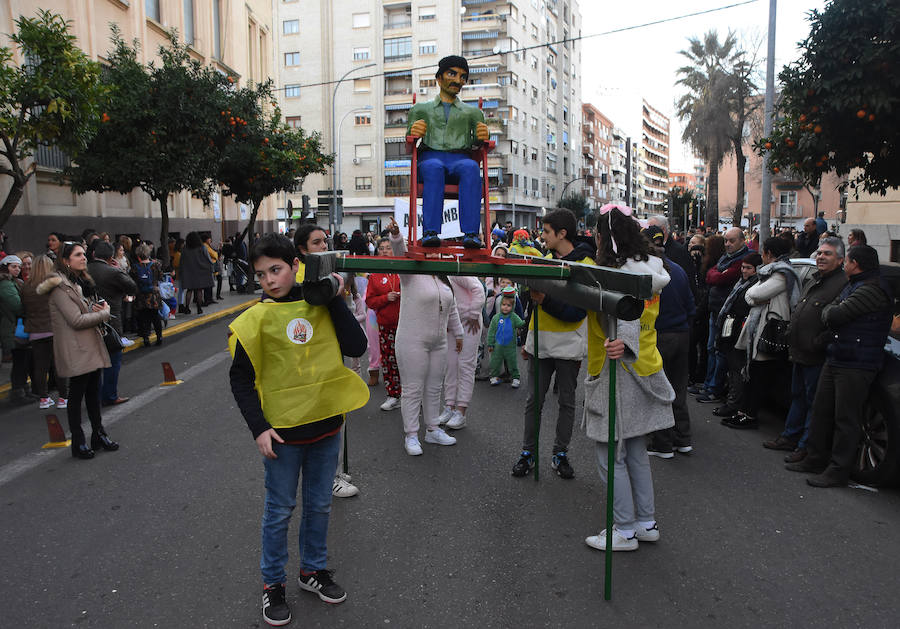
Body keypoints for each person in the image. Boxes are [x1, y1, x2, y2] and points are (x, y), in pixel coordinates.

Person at [228, 234, 368, 625]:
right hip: (282, 434)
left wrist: (334, 296)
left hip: (326, 426)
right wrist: (258, 428)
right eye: (261, 274)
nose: (270, 280)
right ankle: (273, 584)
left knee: (320, 504)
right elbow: (240, 379)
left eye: (276, 269)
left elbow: (356, 346)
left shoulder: (320, 304)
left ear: (295, 264)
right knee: (279, 511)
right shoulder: (254, 319)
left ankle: (312, 571)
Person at [581, 203, 672, 551]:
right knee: (635, 450)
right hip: (645, 366)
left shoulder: (618, 272)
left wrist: (624, 344)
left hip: (616, 368)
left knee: (609, 454)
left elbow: (628, 311)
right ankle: (645, 523)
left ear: (606, 236)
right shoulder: (651, 268)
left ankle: (624, 529)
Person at [787, 245, 893, 487]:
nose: (845, 264)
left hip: (856, 363)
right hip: (838, 356)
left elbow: (833, 315)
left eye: (846, 260)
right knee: (821, 411)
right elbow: (831, 309)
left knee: (846, 418)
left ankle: (838, 469)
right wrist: (831, 311)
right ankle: (815, 458)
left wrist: (831, 312)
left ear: (855, 263)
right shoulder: (852, 284)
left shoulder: (871, 289)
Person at [511, 208, 594, 480]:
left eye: (546, 232)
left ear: (562, 234)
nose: (542, 236)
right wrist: (527, 339)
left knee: (567, 402)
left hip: (570, 345)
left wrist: (546, 300)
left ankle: (560, 453)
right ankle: (528, 453)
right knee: (533, 400)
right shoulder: (543, 259)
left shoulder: (586, 265)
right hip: (540, 344)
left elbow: (577, 311)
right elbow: (534, 304)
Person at [293, 224, 363, 499]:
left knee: (337, 417)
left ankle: (332, 473)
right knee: (324, 422)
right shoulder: (305, 280)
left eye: (325, 241)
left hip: (331, 358)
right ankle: (328, 478)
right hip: (311, 363)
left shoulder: (327, 272)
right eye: (317, 242)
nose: (324, 246)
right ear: (302, 249)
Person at [763, 238, 847, 460]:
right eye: (819, 253)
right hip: (799, 351)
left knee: (813, 403)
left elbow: (840, 320)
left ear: (840, 260)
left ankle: (805, 446)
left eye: (827, 254)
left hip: (817, 355)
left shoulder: (842, 284)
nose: (820, 257)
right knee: (798, 396)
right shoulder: (816, 279)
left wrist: (817, 342)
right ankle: (790, 437)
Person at [387, 218, 462, 455]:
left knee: (433, 387)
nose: (434, 255)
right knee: (412, 389)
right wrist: (397, 237)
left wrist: (458, 332)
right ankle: (411, 435)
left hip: (439, 341)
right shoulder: (409, 274)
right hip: (412, 340)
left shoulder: (443, 278)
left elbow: (452, 308)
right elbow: (399, 254)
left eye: (437, 251)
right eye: (430, 251)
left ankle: (432, 430)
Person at [42, 242, 117, 460]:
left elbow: (80, 312)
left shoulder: (75, 282)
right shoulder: (58, 286)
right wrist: (104, 314)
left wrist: (93, 309)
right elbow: (75, 320)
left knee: (94, 392)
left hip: (88, 345)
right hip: (76, 348)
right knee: (77, 395)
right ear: (66, 260)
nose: (84, 257)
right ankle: (78, 441)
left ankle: (98, 434)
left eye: (84, 254)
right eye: (78, 255)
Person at [407, 54, 490, 248]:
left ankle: (471, 233)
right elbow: (409, 143)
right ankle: (430, 231)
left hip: (460, 158)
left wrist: (481, 136)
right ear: (439, 78)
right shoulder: (421, 109)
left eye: (462, 76)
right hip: (430, 156)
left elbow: (480, 143)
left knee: (471, 168)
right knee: (434, 168)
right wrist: (414, 133)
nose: (457, 80)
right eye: (452, 74)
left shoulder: (472, 113)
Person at [722, 237, 800, 429]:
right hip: (760, 329)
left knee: (758, 376)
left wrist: (756, 297)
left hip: (769, 331)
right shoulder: (770, 274)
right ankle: (743, 412)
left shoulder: (781, 274)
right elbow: (752, 294)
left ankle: (749, 415)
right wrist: (756, 297)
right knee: (752, 373)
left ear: (769, 254)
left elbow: (754, 294)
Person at [644, 226, 697, 458]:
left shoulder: (649, 273)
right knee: (678, 388)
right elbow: (691, 305)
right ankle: (682, 439)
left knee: (659, 390)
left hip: (659, 335)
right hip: (682, 334)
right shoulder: (678, 269)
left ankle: (662, 443)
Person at [696, 228, 750, 403]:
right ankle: (708, 384)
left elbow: (719, 278)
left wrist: (718, 275)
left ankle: (715, 388)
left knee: (720, 352)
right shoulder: (726, 258)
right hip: (715, 310)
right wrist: (717, 274)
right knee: (711, 348)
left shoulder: (743, 259)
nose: (727, 244)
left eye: (731, 241)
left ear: (742, 240)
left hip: (728, 314)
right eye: (726, 240)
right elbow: (711, 274)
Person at [710, 253, 762, 420]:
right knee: (733, 368)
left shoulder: (754, 285)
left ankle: (734, 404)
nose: (744, 271)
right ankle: (732, 402)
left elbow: (744, 307)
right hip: (732, 330)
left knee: (737, 369)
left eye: (748, 268)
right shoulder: (741, 283)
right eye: (743, 267)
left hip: (740, 332)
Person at [88, 241, 137, 405]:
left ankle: (95, 394)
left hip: (88, 319)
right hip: (111, 319)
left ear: (94, 254)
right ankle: (109, 395)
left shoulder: (85, 270)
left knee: (94, 361)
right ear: (110, 257)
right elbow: (132, 287)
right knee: (113, 358)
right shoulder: (113, 272)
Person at [438, 275, 485, 430]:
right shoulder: (435, 271)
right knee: (450, 365)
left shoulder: (456, 270)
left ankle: (461, 411)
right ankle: (449, 406)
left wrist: (473, 314)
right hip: (451, 323)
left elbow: (478, 289)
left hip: (469, 323)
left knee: (465, 365)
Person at [365, 237, 402, 411]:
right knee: (389, 361)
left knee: (409, 361)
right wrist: (385, 298)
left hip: (407, 324)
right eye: (382, 248)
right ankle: (393, 395)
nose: (385, 251)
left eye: (388, 248)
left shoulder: (403, 271)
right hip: (386, 325)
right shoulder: (375, 274)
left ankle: (412, 396)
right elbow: (370, 301)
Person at [0, 254, 31, 403]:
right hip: (12, 328)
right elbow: (17, 307)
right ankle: (18, 391)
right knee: (19, 361)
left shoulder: (12, 282)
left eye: (19, 266)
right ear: (6, 268)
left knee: (22, 360)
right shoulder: (5, 285)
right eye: (14, 266)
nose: (18, 269)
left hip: (16, 327)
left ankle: (22, 389)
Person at [487, 287, 525, 386]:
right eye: (503, 305)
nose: (505, 307)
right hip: (497, 346)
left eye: (508, 305)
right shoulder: (496, 318)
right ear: (500, 305)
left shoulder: (514, 317)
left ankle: (515, 378)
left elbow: (521, 324)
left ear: (513, 306)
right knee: (495, 362)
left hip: (510, 346)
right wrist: (490, 343)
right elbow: (491, 331)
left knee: (512, 362)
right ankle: (494, 377)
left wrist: (526, 321)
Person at [130, 244, 164, 347]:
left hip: (141, 296)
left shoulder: (135, 267)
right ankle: (159, 337)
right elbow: (160, 277)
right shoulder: (155, 265)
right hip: (153, 295)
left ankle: (146, 338)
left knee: (143, 318)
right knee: (155, 316)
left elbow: (132, 281)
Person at [179, 232, 214, 314]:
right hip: (199, 272)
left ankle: (187, 308)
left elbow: (182, 261)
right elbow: (208, 259)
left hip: (188, 273)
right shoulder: (202, 247)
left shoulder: (185, 249)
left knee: (189, 290)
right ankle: (199, 308)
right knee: (199, 291)